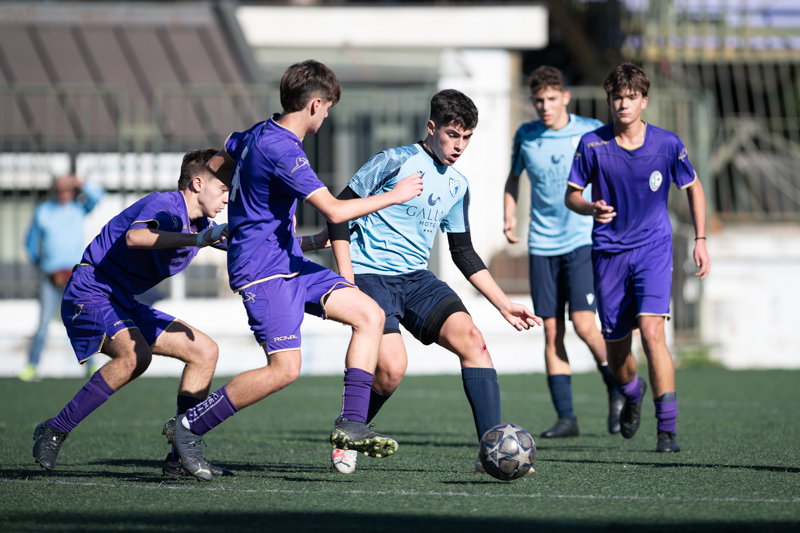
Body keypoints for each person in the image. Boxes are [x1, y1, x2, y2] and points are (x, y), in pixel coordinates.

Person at [165, 59, 424, 482]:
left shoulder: (256, 132)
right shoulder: (283, 149)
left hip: (287, 260)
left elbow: (219, 159)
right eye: (328, 109)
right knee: (284, 369)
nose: (327, 117)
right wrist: (394, 196)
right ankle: (188, 426)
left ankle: (350, 423)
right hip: (263, 271)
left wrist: (239, 204)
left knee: (369, 314)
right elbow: (335, 210)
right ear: (315, 104)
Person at [327, 89, 542, 474]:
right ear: (432, 127)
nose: (459, 145)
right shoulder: (392, 161)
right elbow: (337, 213)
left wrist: (504, 304)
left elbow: (463, 252)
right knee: (391, 370)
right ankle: (350, 430)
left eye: (467, 137)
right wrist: (346, 277)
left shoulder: (458, 185)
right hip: (370, 274)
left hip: (416, 279)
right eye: (452, 135)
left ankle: (490, 451)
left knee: (473, 341)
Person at [32, 148, 239, 477]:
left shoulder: (200, 225)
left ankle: (179, 456)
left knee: (205, 351)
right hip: (91, 289)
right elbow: (136, 236)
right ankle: (54, 428)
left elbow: (252, 245)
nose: (228, 197)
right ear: (198, 183)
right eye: (223, 188)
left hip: (121, 299)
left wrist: (311, 241)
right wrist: (199, 239)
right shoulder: (166, 205)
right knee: (135, 356)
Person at [565, 62, 710, 452]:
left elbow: (694, 187)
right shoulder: (592, 144)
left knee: (651, 332)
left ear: (644, 101)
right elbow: (572, 195)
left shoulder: (667, 144)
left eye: (631, 97)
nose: (623, 104)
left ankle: (667, 431)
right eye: (617, 97)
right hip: (609, 255)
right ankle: (632, 391)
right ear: (609, 100)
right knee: (617, 351)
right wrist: (589, 207)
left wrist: (700, 238)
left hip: (654, 250)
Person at [502, 66, 623, 438]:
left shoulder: (591, 132)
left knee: (585, 325)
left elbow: (616, 172)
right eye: (538, 100)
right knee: (551, 331)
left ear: (565, 97)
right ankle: (567, 417)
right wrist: (509, 214)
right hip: (542, 245)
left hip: (582, 240)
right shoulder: (526, 135)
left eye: (551, 99)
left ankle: (619, 387)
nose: (545, 106)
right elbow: (513, 177)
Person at [21, 174, 105, 382]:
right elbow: (31, 241)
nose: (63, 193)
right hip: (50, 277)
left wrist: (80, 182)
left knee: (84, 319)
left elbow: (98, 195)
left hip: (75, 276)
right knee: (43, 323)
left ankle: (90, 365)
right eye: (59, 189)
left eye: (67, 189)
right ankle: (32, 365)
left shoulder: (79, 209)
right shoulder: (43, 211)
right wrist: (44, 267)